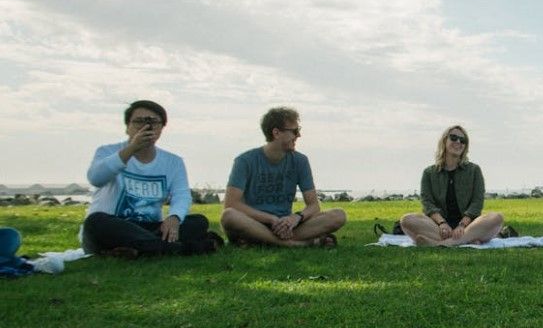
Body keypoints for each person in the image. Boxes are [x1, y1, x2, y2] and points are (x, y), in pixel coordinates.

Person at [82, 100, 219, 257]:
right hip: (115, 225)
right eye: (139, 121)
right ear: (127, 127)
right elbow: (95, 178)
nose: (146, 126)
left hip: (150, 227)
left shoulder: (173, 161)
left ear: (161, 128)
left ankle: (139, 250)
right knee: (96, 222)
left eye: (154, 122)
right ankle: (182, 248)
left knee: (198, 221)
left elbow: (181, 195)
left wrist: (174, 217)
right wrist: (132, 148)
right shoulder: (108, 151)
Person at [220, 107, 346, 247]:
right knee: (229, 216)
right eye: (295, 131)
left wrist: (295, 218)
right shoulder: (244, 161)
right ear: (276, 133)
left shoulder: (300, 161)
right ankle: (298, 244)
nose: (298, 136)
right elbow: (231, 204)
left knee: (338, 215)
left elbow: (314, 205)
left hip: (287, 226)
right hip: (254, 223)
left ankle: (259, 241)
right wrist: (271, 219)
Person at [398, 125, 505, 246]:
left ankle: (443, 244)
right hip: (439, 228)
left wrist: (462, 225)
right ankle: (466, 240)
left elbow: (477, 203)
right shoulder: (429, 173)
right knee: (406, 220)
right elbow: (427, 204)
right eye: (454, 138)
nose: (458, 142)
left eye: (463, 140)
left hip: (469, 226)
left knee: (497, 218)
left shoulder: (474, 170)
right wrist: (442, 223)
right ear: (444, 141)